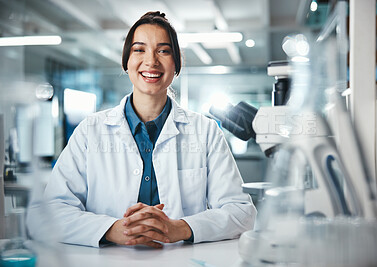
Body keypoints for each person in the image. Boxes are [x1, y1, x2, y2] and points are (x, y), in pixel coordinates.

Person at [27, 11, 256, 248]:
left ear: (176, 64)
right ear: (126, 61)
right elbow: (44, 215)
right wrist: (112, 229)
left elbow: (241, 212)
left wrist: (180, 228)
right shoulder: (90, 131)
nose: (151, 61)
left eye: (163, 50)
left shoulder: (205, 131)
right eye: (139, 49)